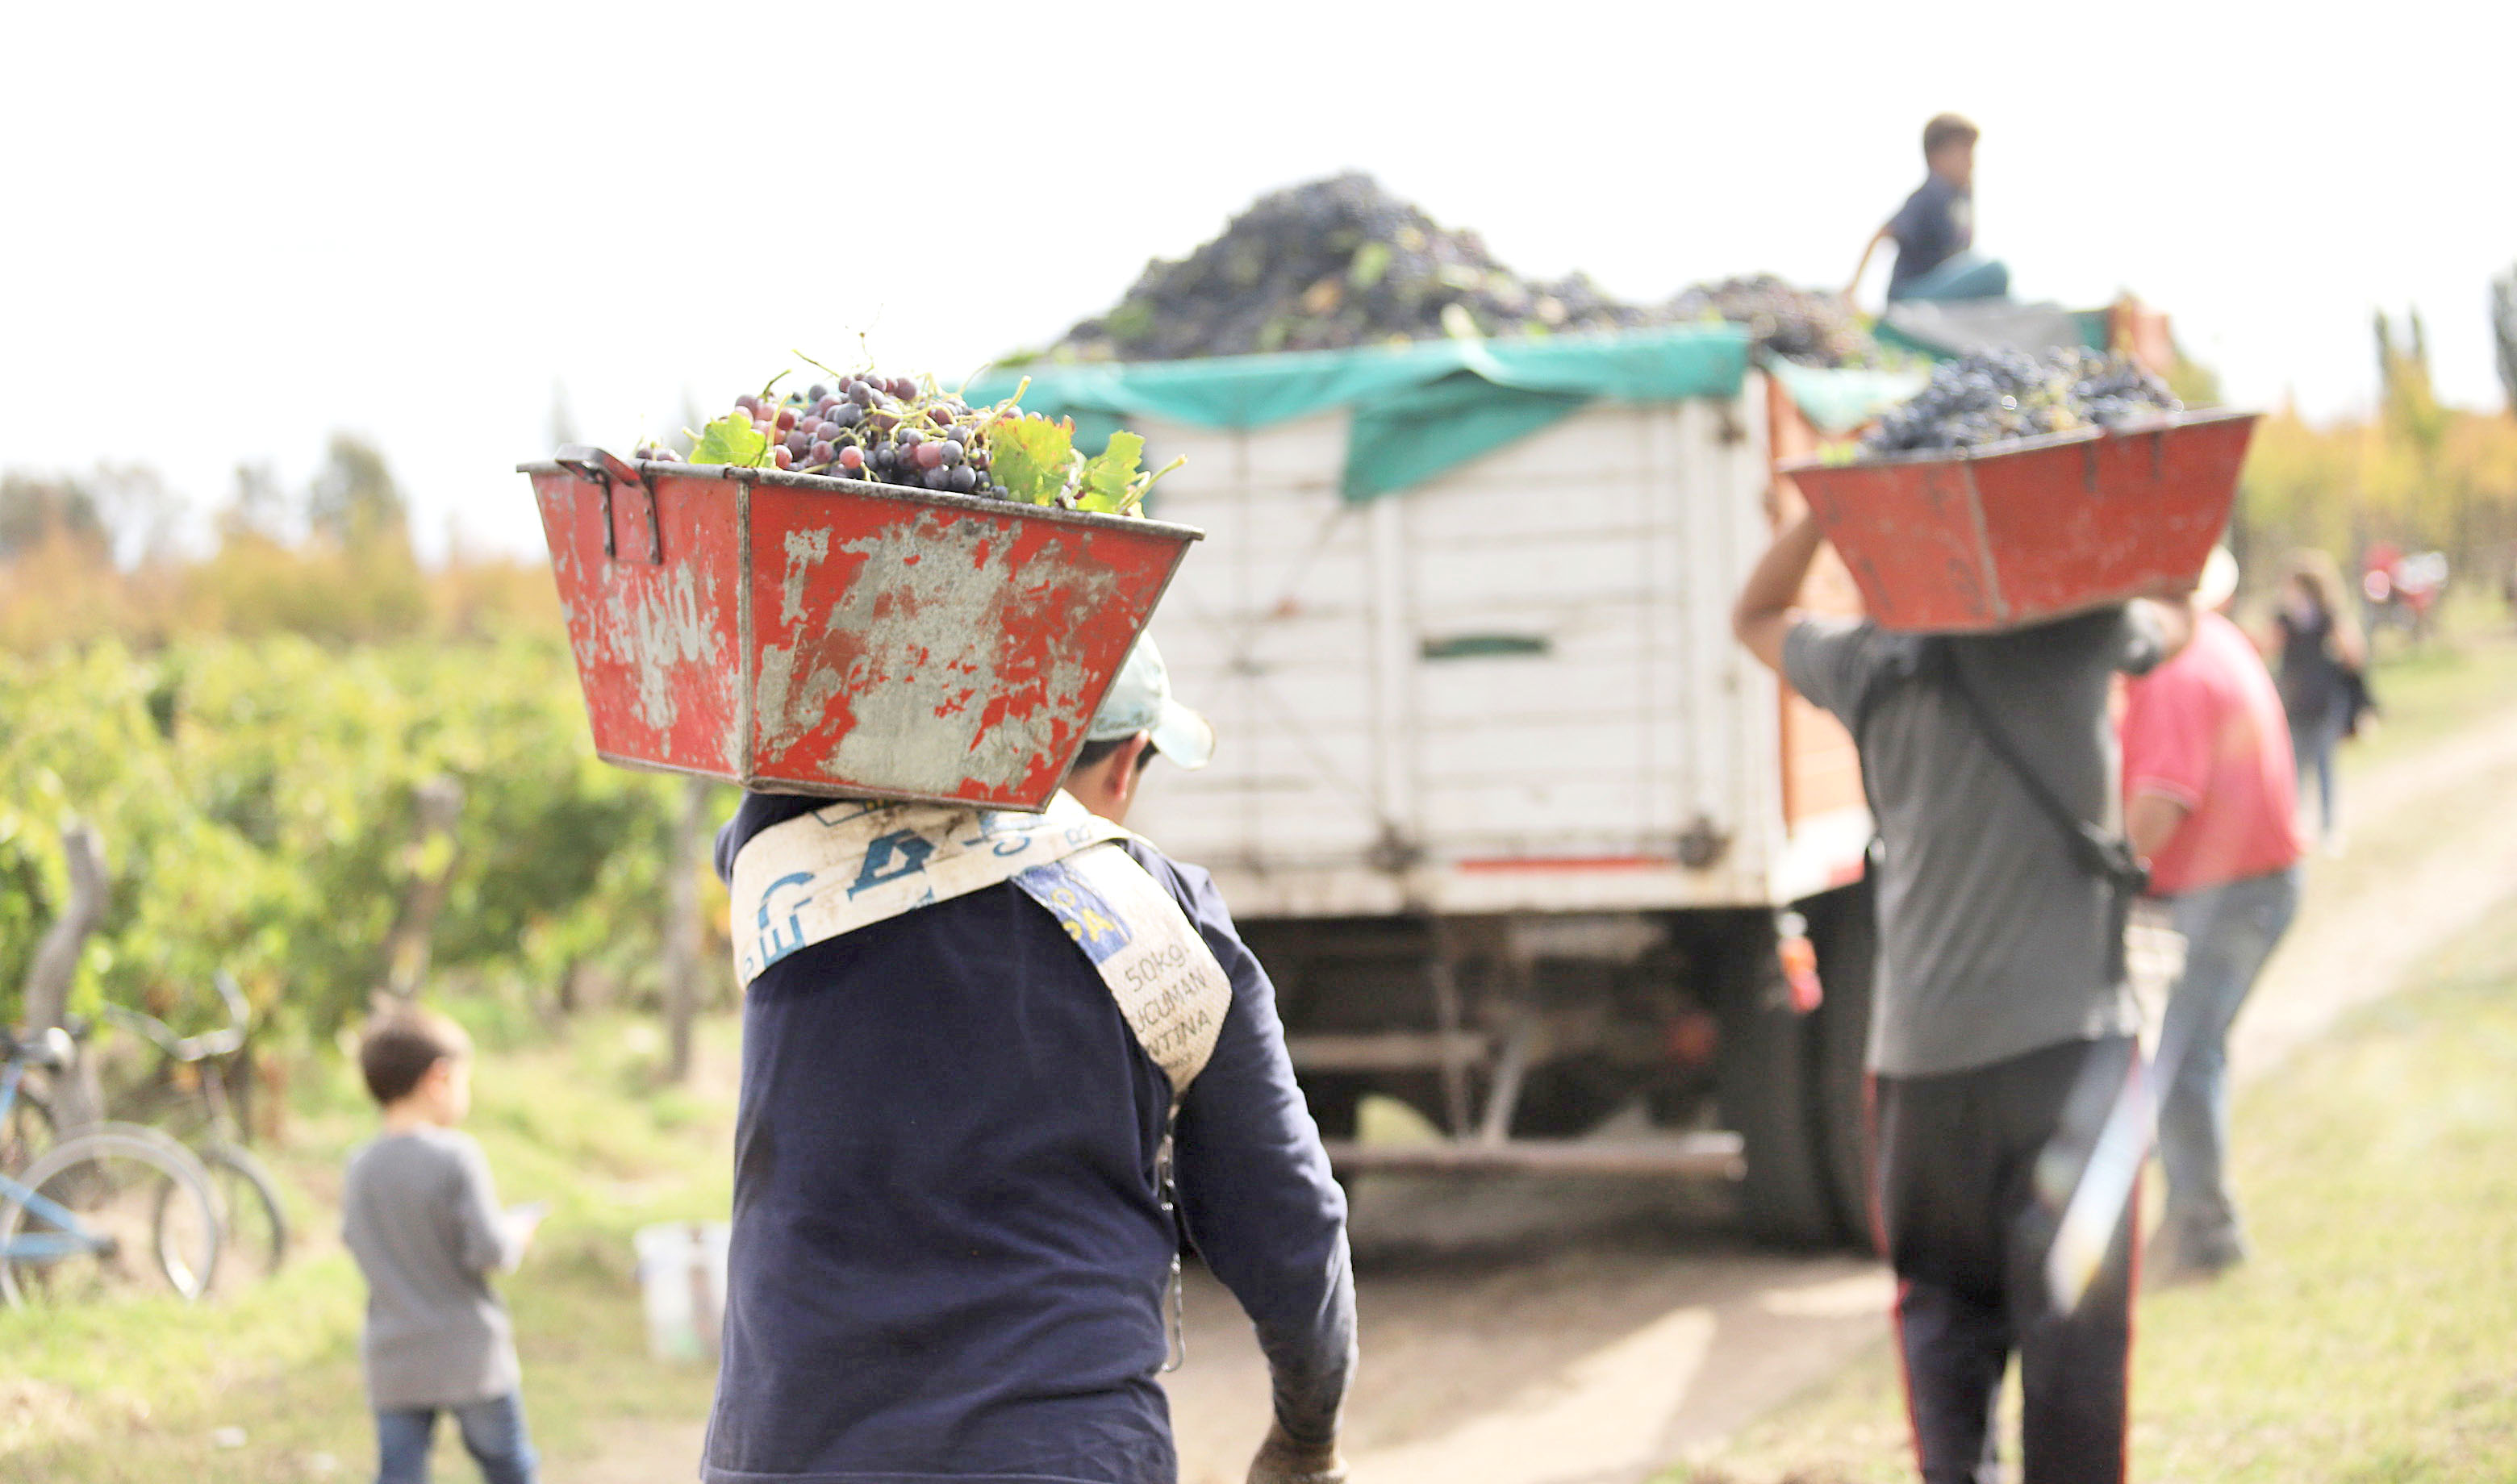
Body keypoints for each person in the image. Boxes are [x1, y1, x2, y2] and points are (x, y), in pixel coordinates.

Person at [703, 636, 1356, 1484]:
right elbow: (1290, 1219)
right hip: (1063, 1453)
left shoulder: (787, 862)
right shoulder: (1173, 925)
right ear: (1126, 764)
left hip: (791, 1453)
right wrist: (1308, 1435)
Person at [1734, 511, 2193, 1484]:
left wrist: (1827, 513)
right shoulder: (2084, 632)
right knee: (2077, 1354)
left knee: (1943, 1328)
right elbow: (2186, 607)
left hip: (1920, 1072)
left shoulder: (1869, 662)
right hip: (2073, 1059)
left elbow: (1758, 611)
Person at [2120, 549, 2306, 1283]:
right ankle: (2194, 1220)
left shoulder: (2172, 673)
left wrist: (2101, 874)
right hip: (2249, 882)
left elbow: (2157, 810)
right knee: (2192, 1052)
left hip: (2231, 888)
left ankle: (2204, 1234)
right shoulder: (2217, 640)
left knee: (2186, 1057)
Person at [343, 1009, 544, 1484]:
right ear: (439, 1079)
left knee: (400, 1473)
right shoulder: (456, 1156)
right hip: (469, 1355)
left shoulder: (360, 1166)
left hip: (394, 1358)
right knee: (507, 1466)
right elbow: (491, 1251)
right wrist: (518, 1232)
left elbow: (356, 1240)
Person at [1847, 114, 2010, 306]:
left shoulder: (1958, 199)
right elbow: (1883, 234)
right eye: (1964, 153)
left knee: (2007, 298)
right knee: (1997, 272)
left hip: (1937, 293)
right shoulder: (1930, 195)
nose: (1971, 163)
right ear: (1937, 157)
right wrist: (1851, 291)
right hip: (1909, 297)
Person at [2266, 549, 2366, 845]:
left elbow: (2354, 653)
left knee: (2323, 764)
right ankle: (2294, 825)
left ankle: (2328, 828)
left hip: (2322, 698)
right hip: (2294, 699)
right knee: (2294, 765)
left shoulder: (2329, 616)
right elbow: (2268, 647)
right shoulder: (2284, 618)